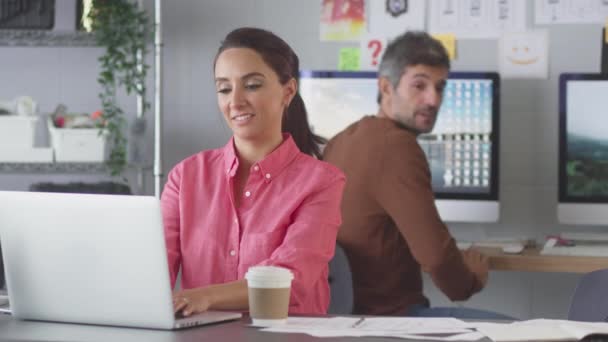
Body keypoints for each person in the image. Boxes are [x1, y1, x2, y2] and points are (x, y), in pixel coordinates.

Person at [161, 27, 345, 317]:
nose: (235, 101)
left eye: (252, 85)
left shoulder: (321, 182)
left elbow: (290, 281)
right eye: (224, 88)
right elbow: (154, 272)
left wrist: (204, 297)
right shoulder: (185, 177)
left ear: (288, 91)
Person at [323, 31, 505, 318]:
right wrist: (471, 280)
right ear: (386, 88)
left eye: (440, 87)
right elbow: (435, 257)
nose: (433, 99)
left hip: (344, 319)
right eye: (419, 85)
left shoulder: (341, 140)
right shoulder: (396, 145)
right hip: (391, 321)